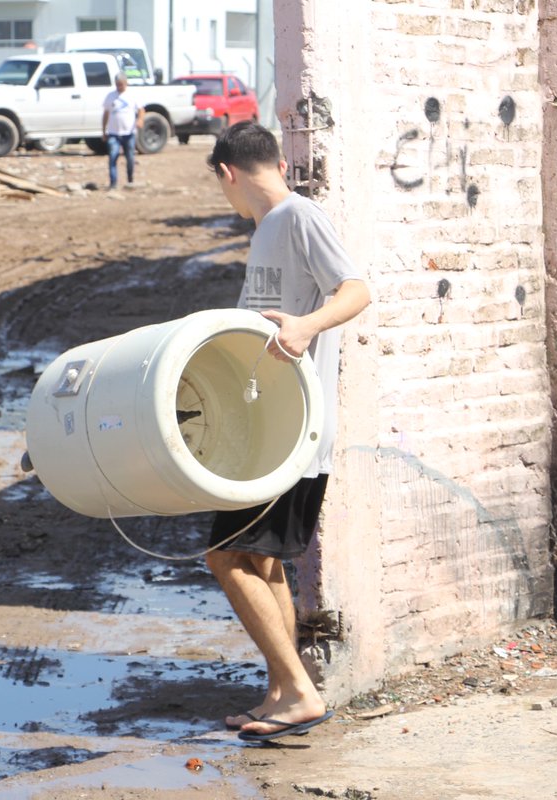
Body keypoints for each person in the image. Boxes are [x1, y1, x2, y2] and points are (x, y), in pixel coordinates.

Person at [204, 121, 371, 743]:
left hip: (292, 434)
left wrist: (305, 328)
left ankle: (299, 692)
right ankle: (281, 690)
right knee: (260, 559)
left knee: (225, 557)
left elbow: (356, 289)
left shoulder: (299, 216)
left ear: (228, 172)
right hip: (267, 431)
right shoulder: (267, 230)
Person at [101, 73, 144, 190]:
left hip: (129, 133)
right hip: (114, 133)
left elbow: (141, 110)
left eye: (121, 85)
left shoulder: (132, 96)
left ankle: (130, 180)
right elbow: (106, 113)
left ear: (126, 83)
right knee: (113, 156)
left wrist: (140, 120)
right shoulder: (110, 96)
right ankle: (113, 183)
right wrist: (104, 131)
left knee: (130, 157)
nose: (119, 87)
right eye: (117, 85)